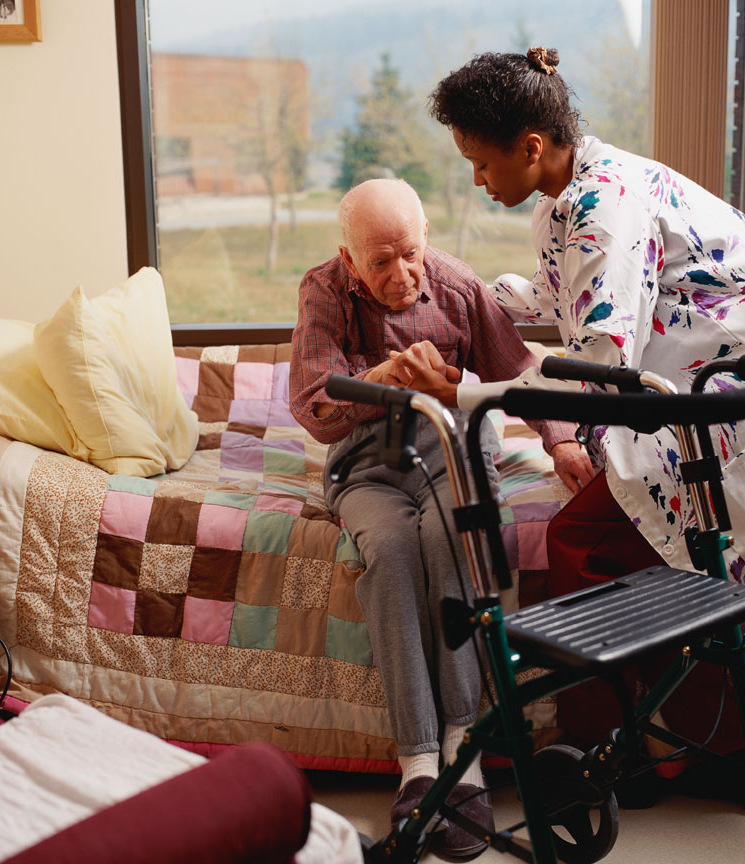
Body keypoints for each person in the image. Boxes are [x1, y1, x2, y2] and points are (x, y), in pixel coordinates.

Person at [388, 47, 745, 771]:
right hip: (717, 391)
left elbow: (602, 363)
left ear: (530, 147)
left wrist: (464, 393)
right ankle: (672, 741)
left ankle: (601, 748)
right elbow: (562, 295)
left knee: (587, 541)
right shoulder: (569, 196)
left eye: (479, 162)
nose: (474, 179)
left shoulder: (604, 205)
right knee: (664, 546)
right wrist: (463, 294)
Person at [288, 177, 591, 855]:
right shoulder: (323, 291)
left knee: (450, 539)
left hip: (449, 446)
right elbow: (312, 408)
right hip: (366, 463)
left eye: (410, 253)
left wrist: (563, 440)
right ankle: (419, 764)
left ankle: (464, 751)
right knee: (392, 551)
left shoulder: (457, 285)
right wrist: (386, 381)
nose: (401, 274)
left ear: (426, 237)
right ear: (348, 256)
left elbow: (518, 371)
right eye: (380, 262)